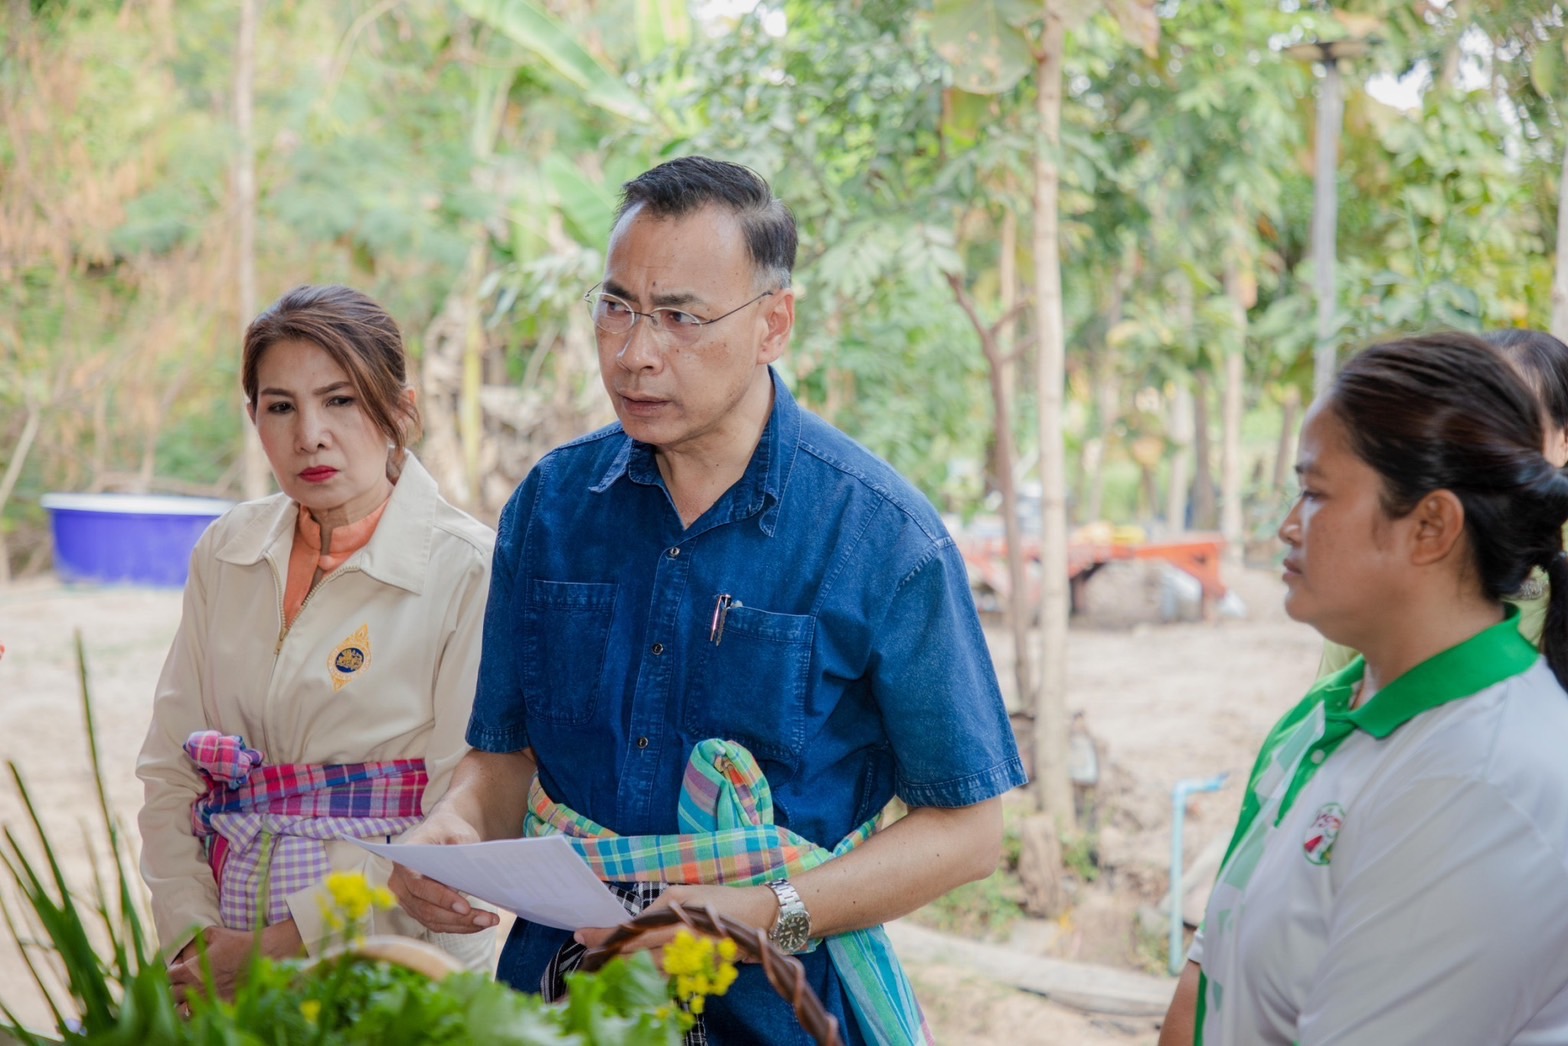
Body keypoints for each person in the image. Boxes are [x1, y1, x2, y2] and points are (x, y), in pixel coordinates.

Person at [388, 156, 1027, 1044]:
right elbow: (502, 764)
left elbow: (967, 830)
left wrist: (760, 914)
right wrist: (453, 830)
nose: (636, 351)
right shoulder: (551, 508)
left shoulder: (881, 539)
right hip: (561, 1001)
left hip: (782, 1008)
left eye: (681, 317)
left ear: (775, 324)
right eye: (617, 307)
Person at [1159, 333, 1568, 1044]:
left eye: (1315, 494)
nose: (1289, 525)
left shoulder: (1482, 782)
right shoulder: (1336, 721)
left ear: (1431, 526)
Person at [136, 285, 496, 1000]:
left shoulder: (469, 569)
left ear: (401, 410)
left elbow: (461, 805)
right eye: (281, 406)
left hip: (396, 952)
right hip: (219, 960)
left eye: (341, 400)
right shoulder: (227, 552)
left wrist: (281, 945)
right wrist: (195, 937)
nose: (310, 435)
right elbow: (169, 772)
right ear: (254, 418)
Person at [1316, 328, 1568, 675]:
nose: (1484, 444)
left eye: (1513, 423)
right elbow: (1331, 712)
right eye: (1469, 422)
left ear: (1563, 443)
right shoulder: (1383, 571)